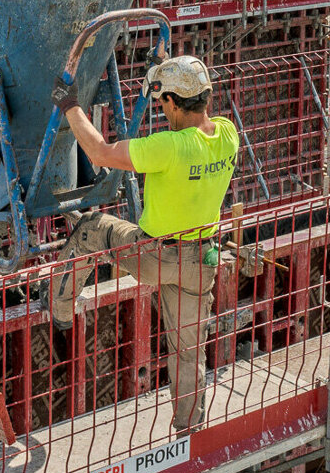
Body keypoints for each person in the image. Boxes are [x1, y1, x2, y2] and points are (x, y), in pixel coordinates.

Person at [48, 55, 239, 432]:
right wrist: (170, 68)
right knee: (188, 352)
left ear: (171, 102)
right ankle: (188, 428)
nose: (160, 107)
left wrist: (69, 105)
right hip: (201, 261)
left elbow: (100, 152)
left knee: (90, 227)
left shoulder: (167, 147)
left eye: (162, 100)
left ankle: (59, 310)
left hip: (154, 253)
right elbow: (193, 104)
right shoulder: (227, 133)